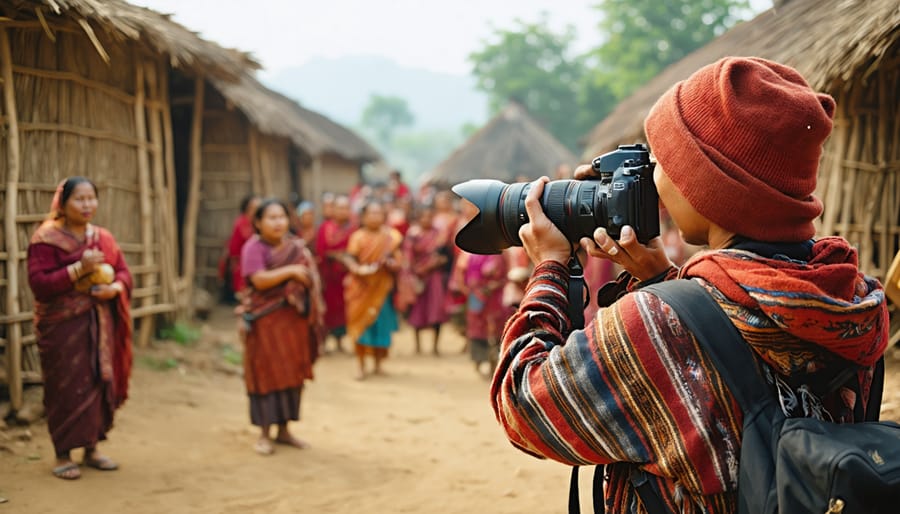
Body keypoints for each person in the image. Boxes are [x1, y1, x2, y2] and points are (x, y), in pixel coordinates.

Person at [490, 57, 889, 512]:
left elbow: (524, 406)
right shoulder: (853, 295)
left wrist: (550, 269)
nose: (655, 179)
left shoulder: (659, 324)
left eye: (662, 161)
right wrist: (666, 282)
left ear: (707, 187)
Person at [27, 177, 133, 480]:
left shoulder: (103, 238)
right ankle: (63, 453)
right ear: (63, 203)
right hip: (62, 327)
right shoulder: (45, 239)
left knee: (98, 382)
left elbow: (125, 272)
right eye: (79, 199)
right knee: (66, 386)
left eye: (91, 198)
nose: (87, 205)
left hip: (100, 323)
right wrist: (79, 270)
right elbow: (39, 285)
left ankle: (92, 448)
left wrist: (114, 289)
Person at [238, 199, 324, 455]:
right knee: (266, 374)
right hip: (265, 321)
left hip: (293, 321)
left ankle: (284, 430)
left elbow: (310, 279)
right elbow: (258, 279)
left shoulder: (297, 248)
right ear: (258, 223)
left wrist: (301, 276)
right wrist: (291, 272)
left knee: (291, 373)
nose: (277, 223)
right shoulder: (253, 247)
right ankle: (264, 433)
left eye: (281, 217)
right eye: (271, 218)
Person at [343, 201, 403, 380]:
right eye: (371, 213)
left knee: (381, 327)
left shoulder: (391, 237)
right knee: (361, 327)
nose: (375, 217)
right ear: (363, 216)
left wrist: (390, 264)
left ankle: (378, 365)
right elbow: (350, 259)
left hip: (382, 289)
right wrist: (358, 269)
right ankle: (361, 366)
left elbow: (398, 261)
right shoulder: (357, 237)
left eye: (378, 213)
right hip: (361, 288)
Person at [401, 204, 451, 355]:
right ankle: (418, 346)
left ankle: (435, 346)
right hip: (418, 277)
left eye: (430, 217)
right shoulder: (413, 235)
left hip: (435, 277)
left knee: (436, 310)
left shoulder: (439, 235)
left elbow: (446, 256)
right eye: (424, 217)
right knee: (418, 311)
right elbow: (408, 257)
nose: (427, 220)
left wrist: (438, 262)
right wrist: (413, 273)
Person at [315, 195, 355, 353]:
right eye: (339, 208)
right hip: (328, 277)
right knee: (326, 310)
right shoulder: (325, 227)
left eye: (346, 208)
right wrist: (335, 255)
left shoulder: (352, 229)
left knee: (343, 310)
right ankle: (323, 343)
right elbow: (320, 251)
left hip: (345, 277)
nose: (342, 211)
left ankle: (340, 342)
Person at [221, 194, 260, 302]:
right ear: (247, 208)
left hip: (258, 265)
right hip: (242, 265)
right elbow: (234, 246)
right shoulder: (241, 223)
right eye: (254, 207)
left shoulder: (259, 223)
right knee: (245, 297)